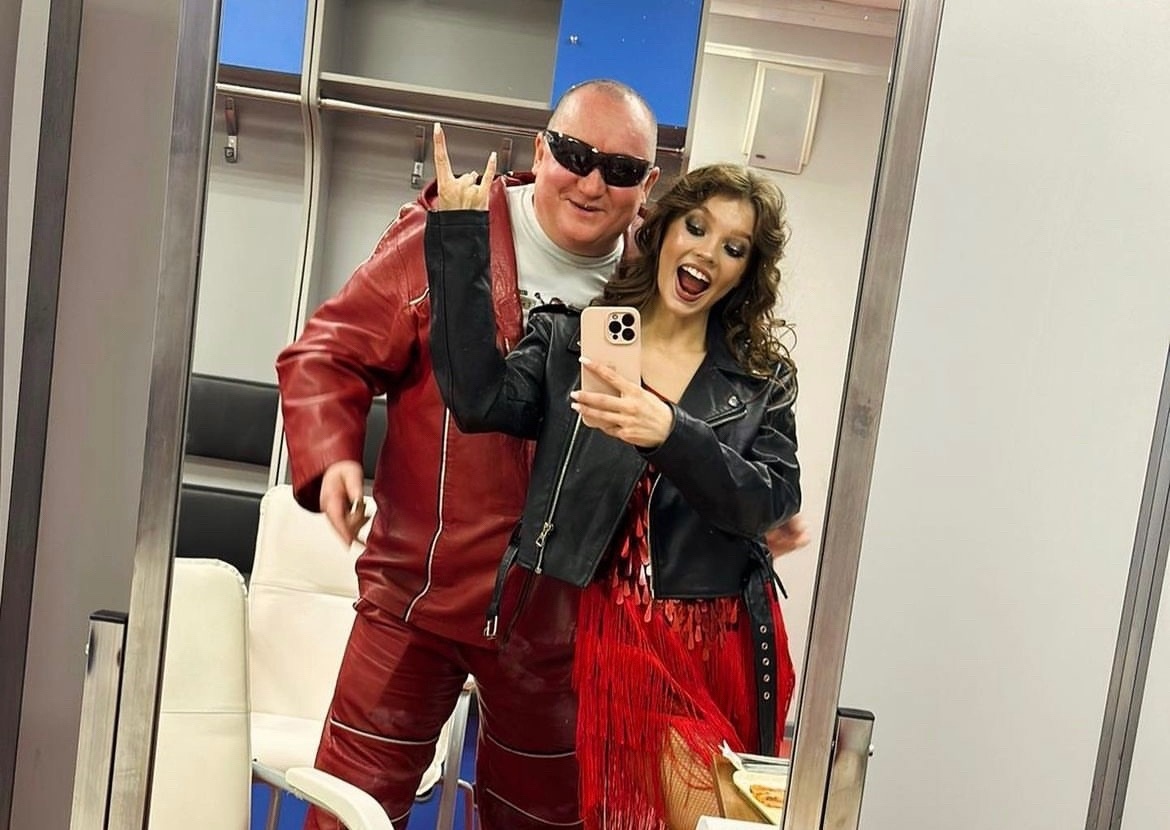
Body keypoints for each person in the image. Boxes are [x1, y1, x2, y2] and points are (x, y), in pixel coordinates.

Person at [275, 79, 662, 830]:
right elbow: (328, 353)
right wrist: (332, 457)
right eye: (575, 155)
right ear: (541, 151)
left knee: (546, 822)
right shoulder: (447, 237)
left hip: (559, 622)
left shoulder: (657, 288)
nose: (590, 184)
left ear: (647, 186)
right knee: (349, 813)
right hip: (415, 598)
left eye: (618, 170)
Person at [425, 148, 802, 830]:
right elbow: (479, 400)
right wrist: (459, 238)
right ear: (663, 230)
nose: (707, 253)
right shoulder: (578, 340)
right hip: (619, 631)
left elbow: (771, 501)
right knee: (699, 814)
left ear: (746, 270)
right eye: (696, 227)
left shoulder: (759, 378)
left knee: (732, 818)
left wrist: (671, 432)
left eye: (734, 247)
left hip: (725, 632)